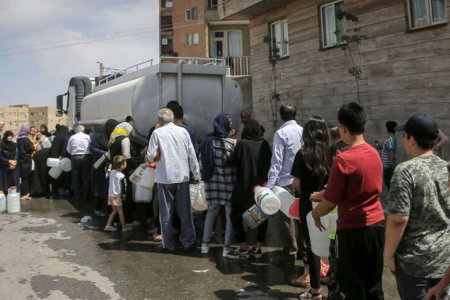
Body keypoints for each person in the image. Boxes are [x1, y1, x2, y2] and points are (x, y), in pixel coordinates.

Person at [311, 102, 385, 300]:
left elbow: (330, 202)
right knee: (374, 284)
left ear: (343, 128)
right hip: (377, 225)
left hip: (353, 229)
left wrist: (315, 213)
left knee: (353, 286)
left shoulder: (343, 161)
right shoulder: (374, 153)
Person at [385, 114, 450, 300]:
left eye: (404, 136)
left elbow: (398, 219)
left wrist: (389, 254)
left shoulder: (405, 171)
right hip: (444, 259)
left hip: (415, 263)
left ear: (411, 139)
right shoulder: (446, 167)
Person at [146, 108, 200, 252]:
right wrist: (196, 174)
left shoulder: (157, 133)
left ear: (160, 120)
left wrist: (152, 157)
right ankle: (188, 242)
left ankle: (168, 244)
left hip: (165, 177)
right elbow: (192, 154)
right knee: (185, 212)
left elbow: (150, 156)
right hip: (182, 176)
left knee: (166, 213)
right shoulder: (184, 132)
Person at [290, 116, 332, 300]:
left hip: (308, 206)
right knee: (334, 246)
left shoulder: (303, 154)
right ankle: (335, 286)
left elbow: (296, 184)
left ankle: (315, 292)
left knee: (313, 247)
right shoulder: (332, 152)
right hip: (330, 205)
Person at [227, 119, 272, 259]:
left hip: (244, 188)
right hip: (261, 189)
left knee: (235, 215)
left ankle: (243, 247)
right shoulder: (264, 144)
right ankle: (258, 247)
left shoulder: (242, 144)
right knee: (263, 216)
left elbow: (230, 162)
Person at [266, 104, 303, 262]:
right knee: (301, 216)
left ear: (281, 117)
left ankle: (290, 249)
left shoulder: (281, 133)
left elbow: (277, 162)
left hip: (285, 182)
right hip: (301, 180)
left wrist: (269, 186)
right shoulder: (303, 131)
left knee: (287, 219)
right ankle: (303, 249)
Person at [199, 113, 236, 257]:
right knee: (229, 214)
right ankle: (226, 248)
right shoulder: (230, 143)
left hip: (212, 183)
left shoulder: (206, 142)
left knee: (211, 213)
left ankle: (204, 245)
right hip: (229, 183)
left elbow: (201, 164)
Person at [90, 119, 118, 216]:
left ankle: (107, 209)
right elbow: (92, 148)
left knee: (108, 188)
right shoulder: (99, 137)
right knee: (100, 187)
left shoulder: (114, 137)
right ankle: (98, 209)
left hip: (109, 165)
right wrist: (105, 154)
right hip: (100, 165)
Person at [104, 155, 133, 232]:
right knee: (120, 212)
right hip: (116, 196)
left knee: (114, 211)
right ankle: (124, 228)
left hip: (110, 195)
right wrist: (124, 196)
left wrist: (109, 168)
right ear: (122, 165)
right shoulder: (122, 176)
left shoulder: (112, 172)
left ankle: (108, 225)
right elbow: (124, 188)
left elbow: (106, 175)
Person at [66, 125, 92, 200]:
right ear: (83, 130)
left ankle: (77, 193)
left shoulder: (72, 137)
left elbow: (68, 149)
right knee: (86, 175)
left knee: (76, 175)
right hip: (85, 156)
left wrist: (73, 153)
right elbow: (90, 146)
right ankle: (86, 193)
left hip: (75, 157)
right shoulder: (87, 136)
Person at [17, 125, 35, 200]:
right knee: (26, 178)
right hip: (26, 160)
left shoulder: (18, 139)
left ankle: (24, 193)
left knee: (23, 177)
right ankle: (24, 194)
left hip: (21, 160)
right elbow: (32, 148)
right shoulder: (26, 139)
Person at [381, 121, 398, 191]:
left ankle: (391, 196)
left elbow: (391, 150)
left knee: (388, 180)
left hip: (388, 164)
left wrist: (390, 162)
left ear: (387, 130)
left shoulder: (391, 139)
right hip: (387, 164)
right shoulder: (393, 138)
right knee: (388, 180)